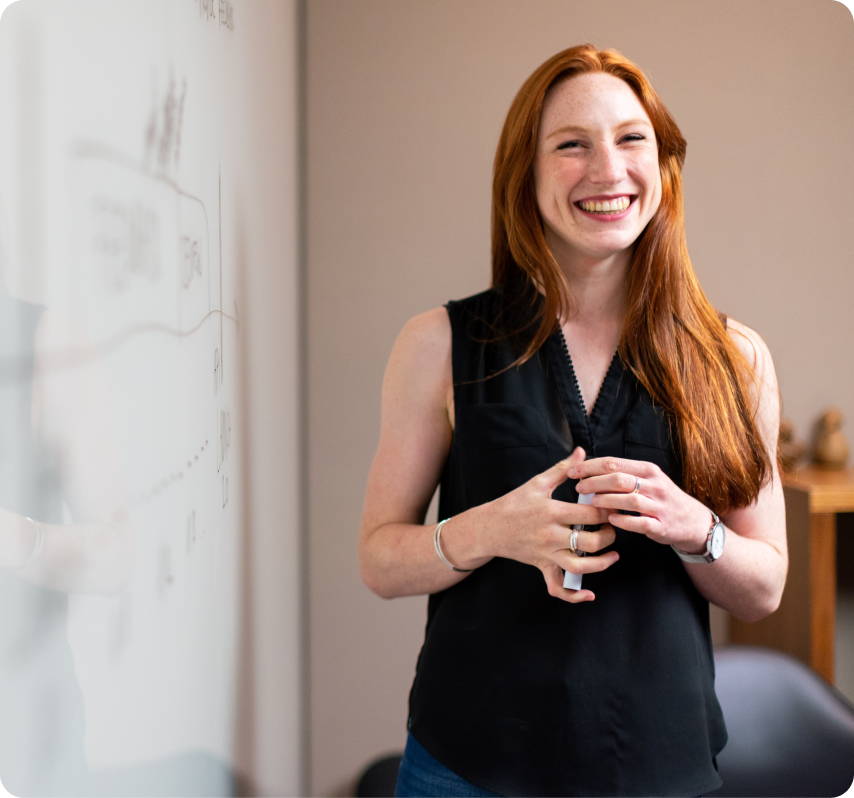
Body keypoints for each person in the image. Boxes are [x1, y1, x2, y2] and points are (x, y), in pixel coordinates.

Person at [359, 44, 786, 798]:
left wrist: (695, 528)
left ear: (664, 165)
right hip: (466, 768)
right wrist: (490, 530)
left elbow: (764, 588)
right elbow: (379, 560)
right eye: (571, 145)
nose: (607, 169)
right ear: (524, 173)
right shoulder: (437, 344)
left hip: (661, 767)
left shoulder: (736, 357)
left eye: (631, 139)